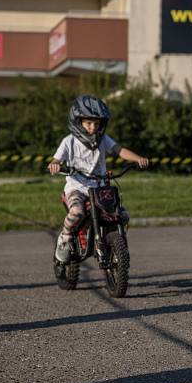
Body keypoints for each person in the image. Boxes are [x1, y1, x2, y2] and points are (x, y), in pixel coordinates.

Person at [47, 95, 148, 263]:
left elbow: (119, 150)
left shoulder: (103, 140)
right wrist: (55, 165)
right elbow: (57, 159)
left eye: (96, 123)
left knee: (122, 216)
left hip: (100, 189)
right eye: (88, 123)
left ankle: (114, 245)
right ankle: (64, 238)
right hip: (77, 188)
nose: (93, 127)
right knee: (77, 212)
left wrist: (138, 159)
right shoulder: (69, 142)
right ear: (78, 122)